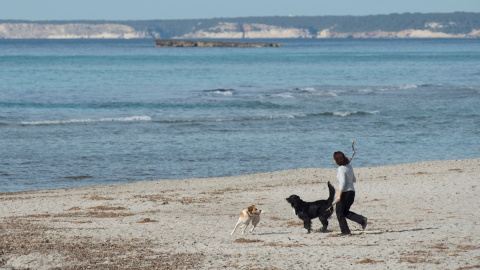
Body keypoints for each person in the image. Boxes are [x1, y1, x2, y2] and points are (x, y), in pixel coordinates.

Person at [333, 151, 367, 235]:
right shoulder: (349, 166)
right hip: (352, 192)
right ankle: (361, 219)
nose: (333, 160)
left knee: (339, 212)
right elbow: (354, 179)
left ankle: (345, 231)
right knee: (344, 212)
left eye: (334, 159)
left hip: (345, 193)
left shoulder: (341, 169)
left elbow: (342, 182)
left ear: (337, 160)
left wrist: (338, 195)